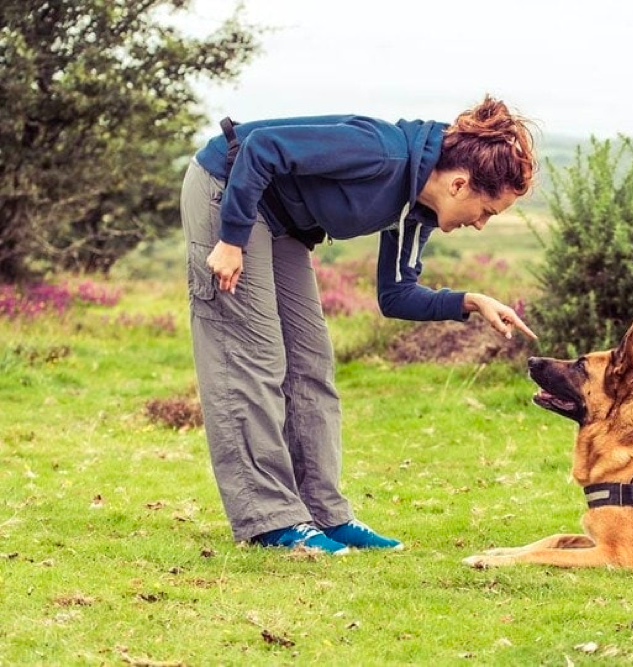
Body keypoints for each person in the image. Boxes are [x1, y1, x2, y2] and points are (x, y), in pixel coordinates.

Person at [179, 95, 537, 554]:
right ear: (460, 184)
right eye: (487, 211)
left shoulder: (415, 213)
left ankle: (324, 513)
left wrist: (469, 301)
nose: (482, 225)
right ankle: (269, 519)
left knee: (311, 363)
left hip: (283, 221)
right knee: (254, 357)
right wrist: (231, 240)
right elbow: (263, 147)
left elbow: (396, 295)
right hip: (230, 191)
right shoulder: (379, 150)